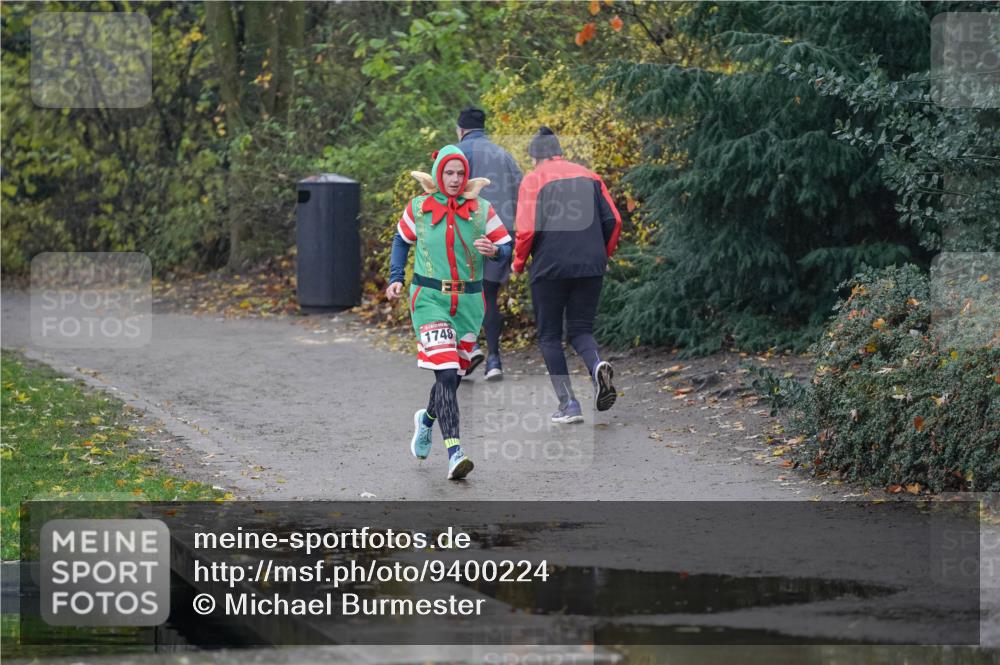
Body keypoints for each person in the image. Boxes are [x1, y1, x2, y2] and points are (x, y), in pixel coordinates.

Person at [386, 145, 513, 479]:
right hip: (429, 298)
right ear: (439, 174)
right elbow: (401, 240)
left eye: (460, 173)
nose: (455, 180)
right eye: (448, 173)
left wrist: (496, 251)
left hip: (469, 303)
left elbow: (506, 245)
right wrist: (396, 278)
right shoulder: (419, 208)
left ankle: (426, 420)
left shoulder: (482, 209)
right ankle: (456, 452)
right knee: (444, 372)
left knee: (453, 377)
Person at [511, 127, 622, 423]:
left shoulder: (533, 180)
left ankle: (569, 404)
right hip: (591, 265)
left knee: (549, 335)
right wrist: (601, 254)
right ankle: (596, 365)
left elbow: (525, 230)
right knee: (581, 330)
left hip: (550, 267)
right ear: (559, 151)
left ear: (535, 156)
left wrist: (519, 264)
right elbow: (614, 219)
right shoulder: (590, 176)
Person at [456, 107, 523, 380]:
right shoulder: (503, 155)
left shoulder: (455, 154)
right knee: (488, 296)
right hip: (500, 233)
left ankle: (470, 350)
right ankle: (493, 359)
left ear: (460, 129)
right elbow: (523, 194)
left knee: (460, 293)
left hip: (464, 233)